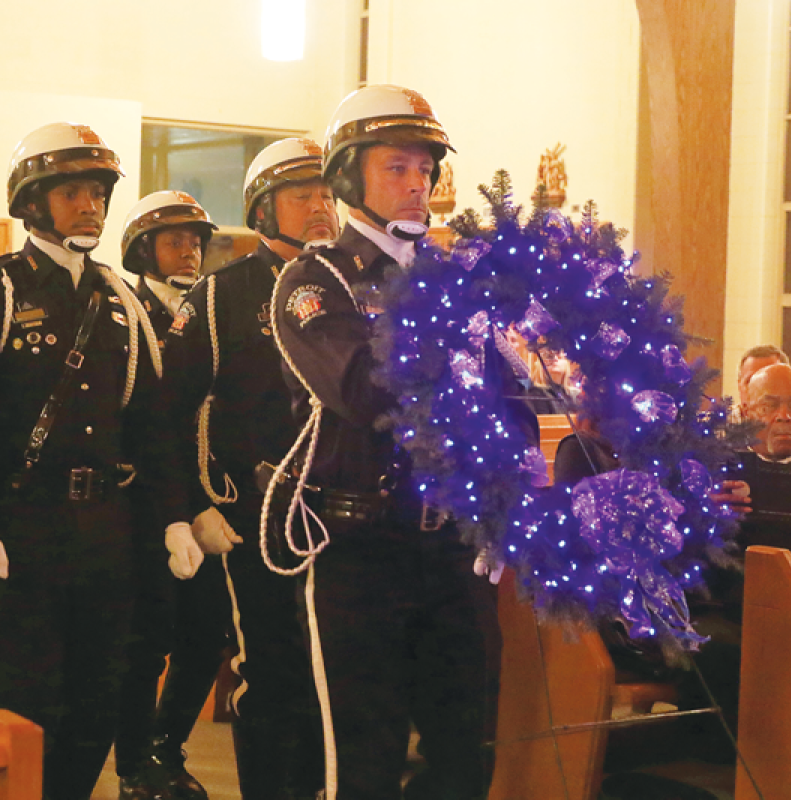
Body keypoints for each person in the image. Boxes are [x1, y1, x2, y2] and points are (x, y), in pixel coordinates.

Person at [0, 122, 180, 800]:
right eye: (72, 192)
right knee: (26, 698)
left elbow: (152, 423)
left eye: (97, 193)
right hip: (22, 523)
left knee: (101, 690)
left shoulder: (120, 297)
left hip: (108, 526)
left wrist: (174, 519)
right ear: (33, 202)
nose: (91, 206)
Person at [272, 84, 515, 799]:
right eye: (397, 169)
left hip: (456, 550)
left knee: (464, 756)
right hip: (363, 552)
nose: (419, 187)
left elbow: (508, 397)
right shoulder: (314, 281)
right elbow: (362, 389)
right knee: (365, 762)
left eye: (425, 171)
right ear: (350, 178)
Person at [159, 137, 337, 799]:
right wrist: (190, 506)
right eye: (301, 195)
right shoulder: (218, 296)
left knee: (334, 671)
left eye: (326, 194)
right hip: (254, 518)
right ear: (264, 209)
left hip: (342, 517)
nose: (319, 207)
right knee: (272, 672)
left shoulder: (349, 288)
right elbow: (168, 413)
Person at [114, 189, 231, 800]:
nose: (188, 252)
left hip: (207, 498)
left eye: (194, 241)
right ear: (142, 249)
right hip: (142, 503)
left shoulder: (212, 308)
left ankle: (168, 744)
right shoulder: (123, 309)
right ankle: (134, 763)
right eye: (173, 241)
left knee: (207, 634)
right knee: (145, 639)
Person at [683, 363, 791, 751]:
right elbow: (684, 555)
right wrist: (702, 513)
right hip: (727, 612)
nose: (785, 416)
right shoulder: (716, 474)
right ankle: (742, 762)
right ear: (747, 413)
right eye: (770, 406)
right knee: (722, 647)